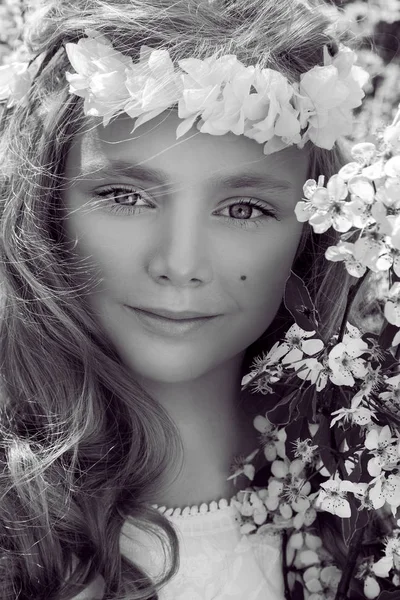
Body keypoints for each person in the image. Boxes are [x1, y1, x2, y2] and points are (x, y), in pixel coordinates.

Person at [0, 0, 370, 598]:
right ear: (45, 204)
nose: (180, 265)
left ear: (311, 234)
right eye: (125, 195)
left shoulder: (366, 487)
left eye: (244, 209)